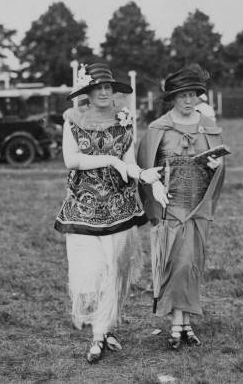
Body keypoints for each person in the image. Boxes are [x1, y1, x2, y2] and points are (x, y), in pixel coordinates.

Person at [54, 63, 163, 364]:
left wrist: (143, 175)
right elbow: (71, 160)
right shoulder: (73, 119)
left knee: (115, 270)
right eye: (98, 86)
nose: (104, 91)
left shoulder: (124, 119)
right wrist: (110, 161)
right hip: (82, 208)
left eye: (108, 86)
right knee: (90, 274)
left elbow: (128, 161)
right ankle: (100, 329)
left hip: (119, 208)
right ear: (87, 91)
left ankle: (101, 332)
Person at [138, 64, 225, 350]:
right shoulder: (157, 128)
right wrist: (154, 189)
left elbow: (219, 169)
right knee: (178, 263)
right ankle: (178, 326)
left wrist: (216, 166)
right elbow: (145, 169)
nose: (189, 101)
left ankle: (185, 324)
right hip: (170, 206)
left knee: (192, 265)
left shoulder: (208, 126)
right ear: (173, 97)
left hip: (198, 205)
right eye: (183, 95)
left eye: (193, 95)